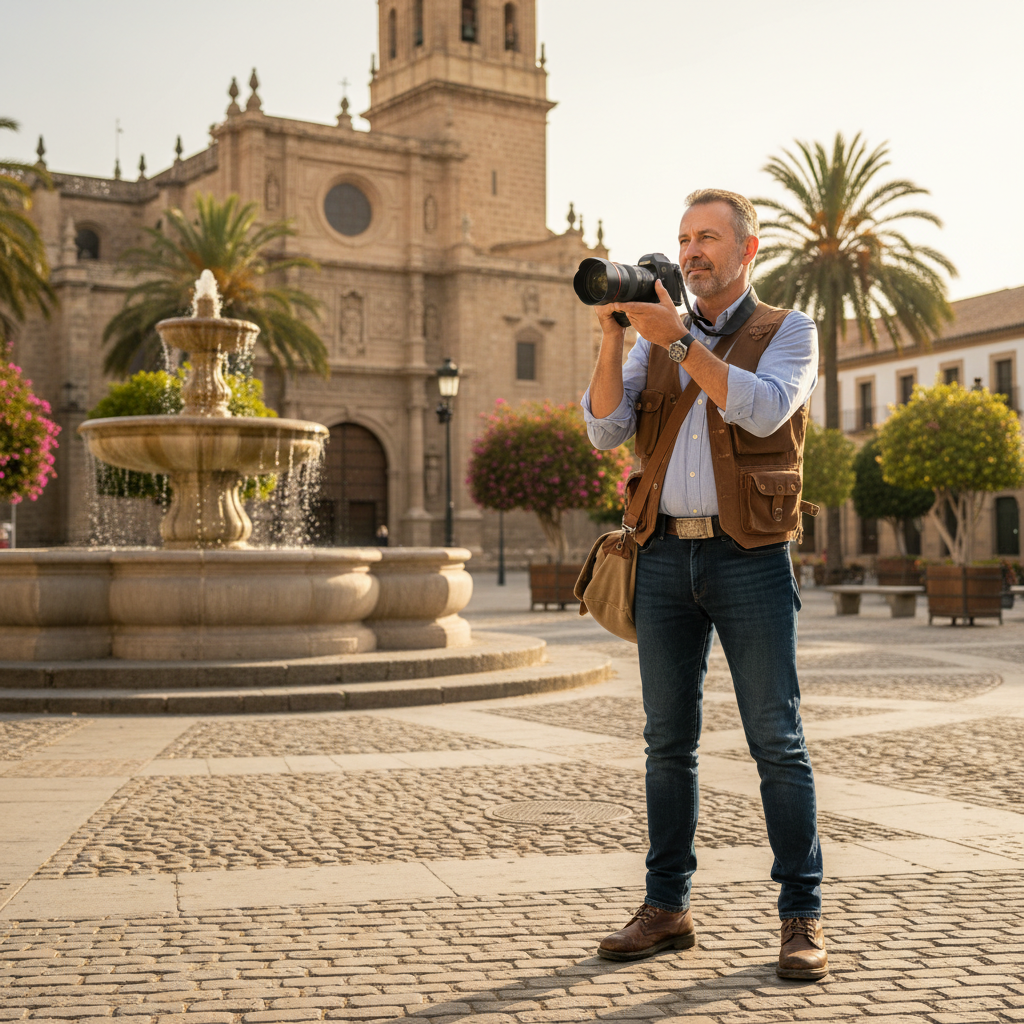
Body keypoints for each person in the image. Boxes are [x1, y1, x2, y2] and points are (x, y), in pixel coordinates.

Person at [581, 189, 826, 980]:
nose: (692, 251)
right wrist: (614, 341)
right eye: (685, 237)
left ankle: (800, 918)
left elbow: (762, 410)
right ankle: (667, 907)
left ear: (747, 251)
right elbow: (603, 428)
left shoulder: (788, 330)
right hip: (660, 558)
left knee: (776, 741)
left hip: (748, 557)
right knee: (666, 743)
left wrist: (682, 343)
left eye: (709, 237)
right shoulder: (652, 342)